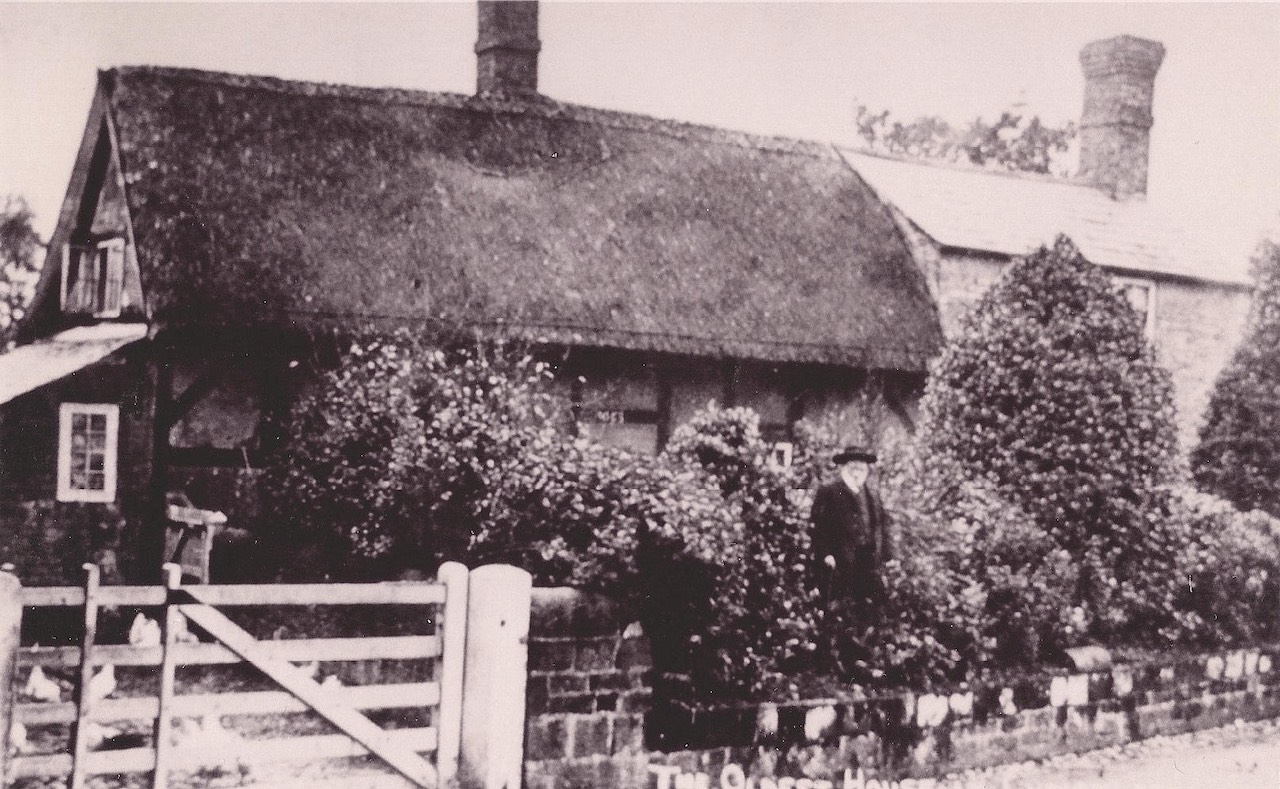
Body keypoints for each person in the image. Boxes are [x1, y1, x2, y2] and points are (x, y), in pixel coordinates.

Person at [809, 445, 891, 604]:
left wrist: (886, 556)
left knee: (868, 607)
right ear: (844, 468)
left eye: (861, 468)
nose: (857, 473)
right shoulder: (829, 492)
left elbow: (881, 526)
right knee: (840, 605)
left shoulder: (872, 495)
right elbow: (817, 527)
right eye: (853, 468)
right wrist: (826, 554)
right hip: (840, 562)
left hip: (869, 564)